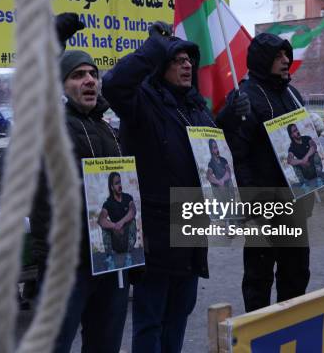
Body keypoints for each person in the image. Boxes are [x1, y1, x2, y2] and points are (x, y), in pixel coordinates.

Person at [102, 22, 250, 353]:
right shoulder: (141, 102)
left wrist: (225, 118)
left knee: (179, 314)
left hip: (192, 228)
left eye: (189, 61)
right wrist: (153, 47)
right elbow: (113, 84)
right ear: (160, 66)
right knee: (151, 317)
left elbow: (206, 153)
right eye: (177, 60)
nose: (186, 65)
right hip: (157, 229)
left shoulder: (195, 105)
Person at [30, 46, 130, 353]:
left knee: (105, 343)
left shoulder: (108, 130)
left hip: (110, 259)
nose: (89, 81)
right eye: (77, 75)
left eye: (92, 75)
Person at [222, 33, 314, 313]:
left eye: (286, 54)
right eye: (278, 56)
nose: (286, 60)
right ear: (263, 60)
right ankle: (258, 335)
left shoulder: (291, 94)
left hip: (295, 204)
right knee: (258, 278)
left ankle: (290, 330)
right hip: (264, 206)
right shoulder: (245, 97)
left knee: (296, 274)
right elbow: (238, 155)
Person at [98, 171, 137, 269]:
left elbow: (133, 211)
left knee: (132, 221)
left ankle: (128, 256)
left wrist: (121, 222)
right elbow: (101, 220)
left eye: (120, 182)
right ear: (111, 187)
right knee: (104, 227)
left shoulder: (128, 197)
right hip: (116, 239)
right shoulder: (108, 203)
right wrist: (115, 226)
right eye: (116, 183)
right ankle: (110, 259)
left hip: (127, 239)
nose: (119, 185)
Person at [286, 123, 323, 188]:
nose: (297, 132)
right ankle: (304, 185)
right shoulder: (292, 147)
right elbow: (289, 160)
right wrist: (302, 161)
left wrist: (305, 158)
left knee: (316, 155)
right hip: (305, 171)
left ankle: (319, 179)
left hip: (315, 168)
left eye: (297, 129)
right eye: (294, 131)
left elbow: (314, 147)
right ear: (291, 135)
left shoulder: (307, 138)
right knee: (295, 165)